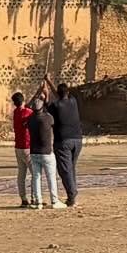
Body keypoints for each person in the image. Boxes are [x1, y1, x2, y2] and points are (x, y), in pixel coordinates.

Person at [50, 80, 84, 208]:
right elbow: (60, 95)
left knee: (65, 170)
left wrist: (45, 93)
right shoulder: (73, 101)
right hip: (78, 140)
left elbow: (51, 107)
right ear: (68, 93)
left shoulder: (55, 106)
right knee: (71, 168)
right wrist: (49, 81)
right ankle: (72, 194)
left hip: (63, 141)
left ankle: (72, 195)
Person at [28, 92, 62, 209]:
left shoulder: (30, 120)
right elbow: (52, 119)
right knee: (51, 177)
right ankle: (54, 200)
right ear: (43, 108)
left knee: (36, 177)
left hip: (33, 152)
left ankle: (38, 202)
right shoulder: (48, 118)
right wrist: (45, 97)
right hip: (46, 152)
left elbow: (28, 107)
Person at [10, 91, 36, 208]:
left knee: (21, 174)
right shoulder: (28, 112)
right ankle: (34, 197)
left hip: (18, 147)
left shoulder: (16, 112)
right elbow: (34, 110)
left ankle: (23, 198)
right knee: (35, 174)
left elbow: (27, 107)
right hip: (27, 147)